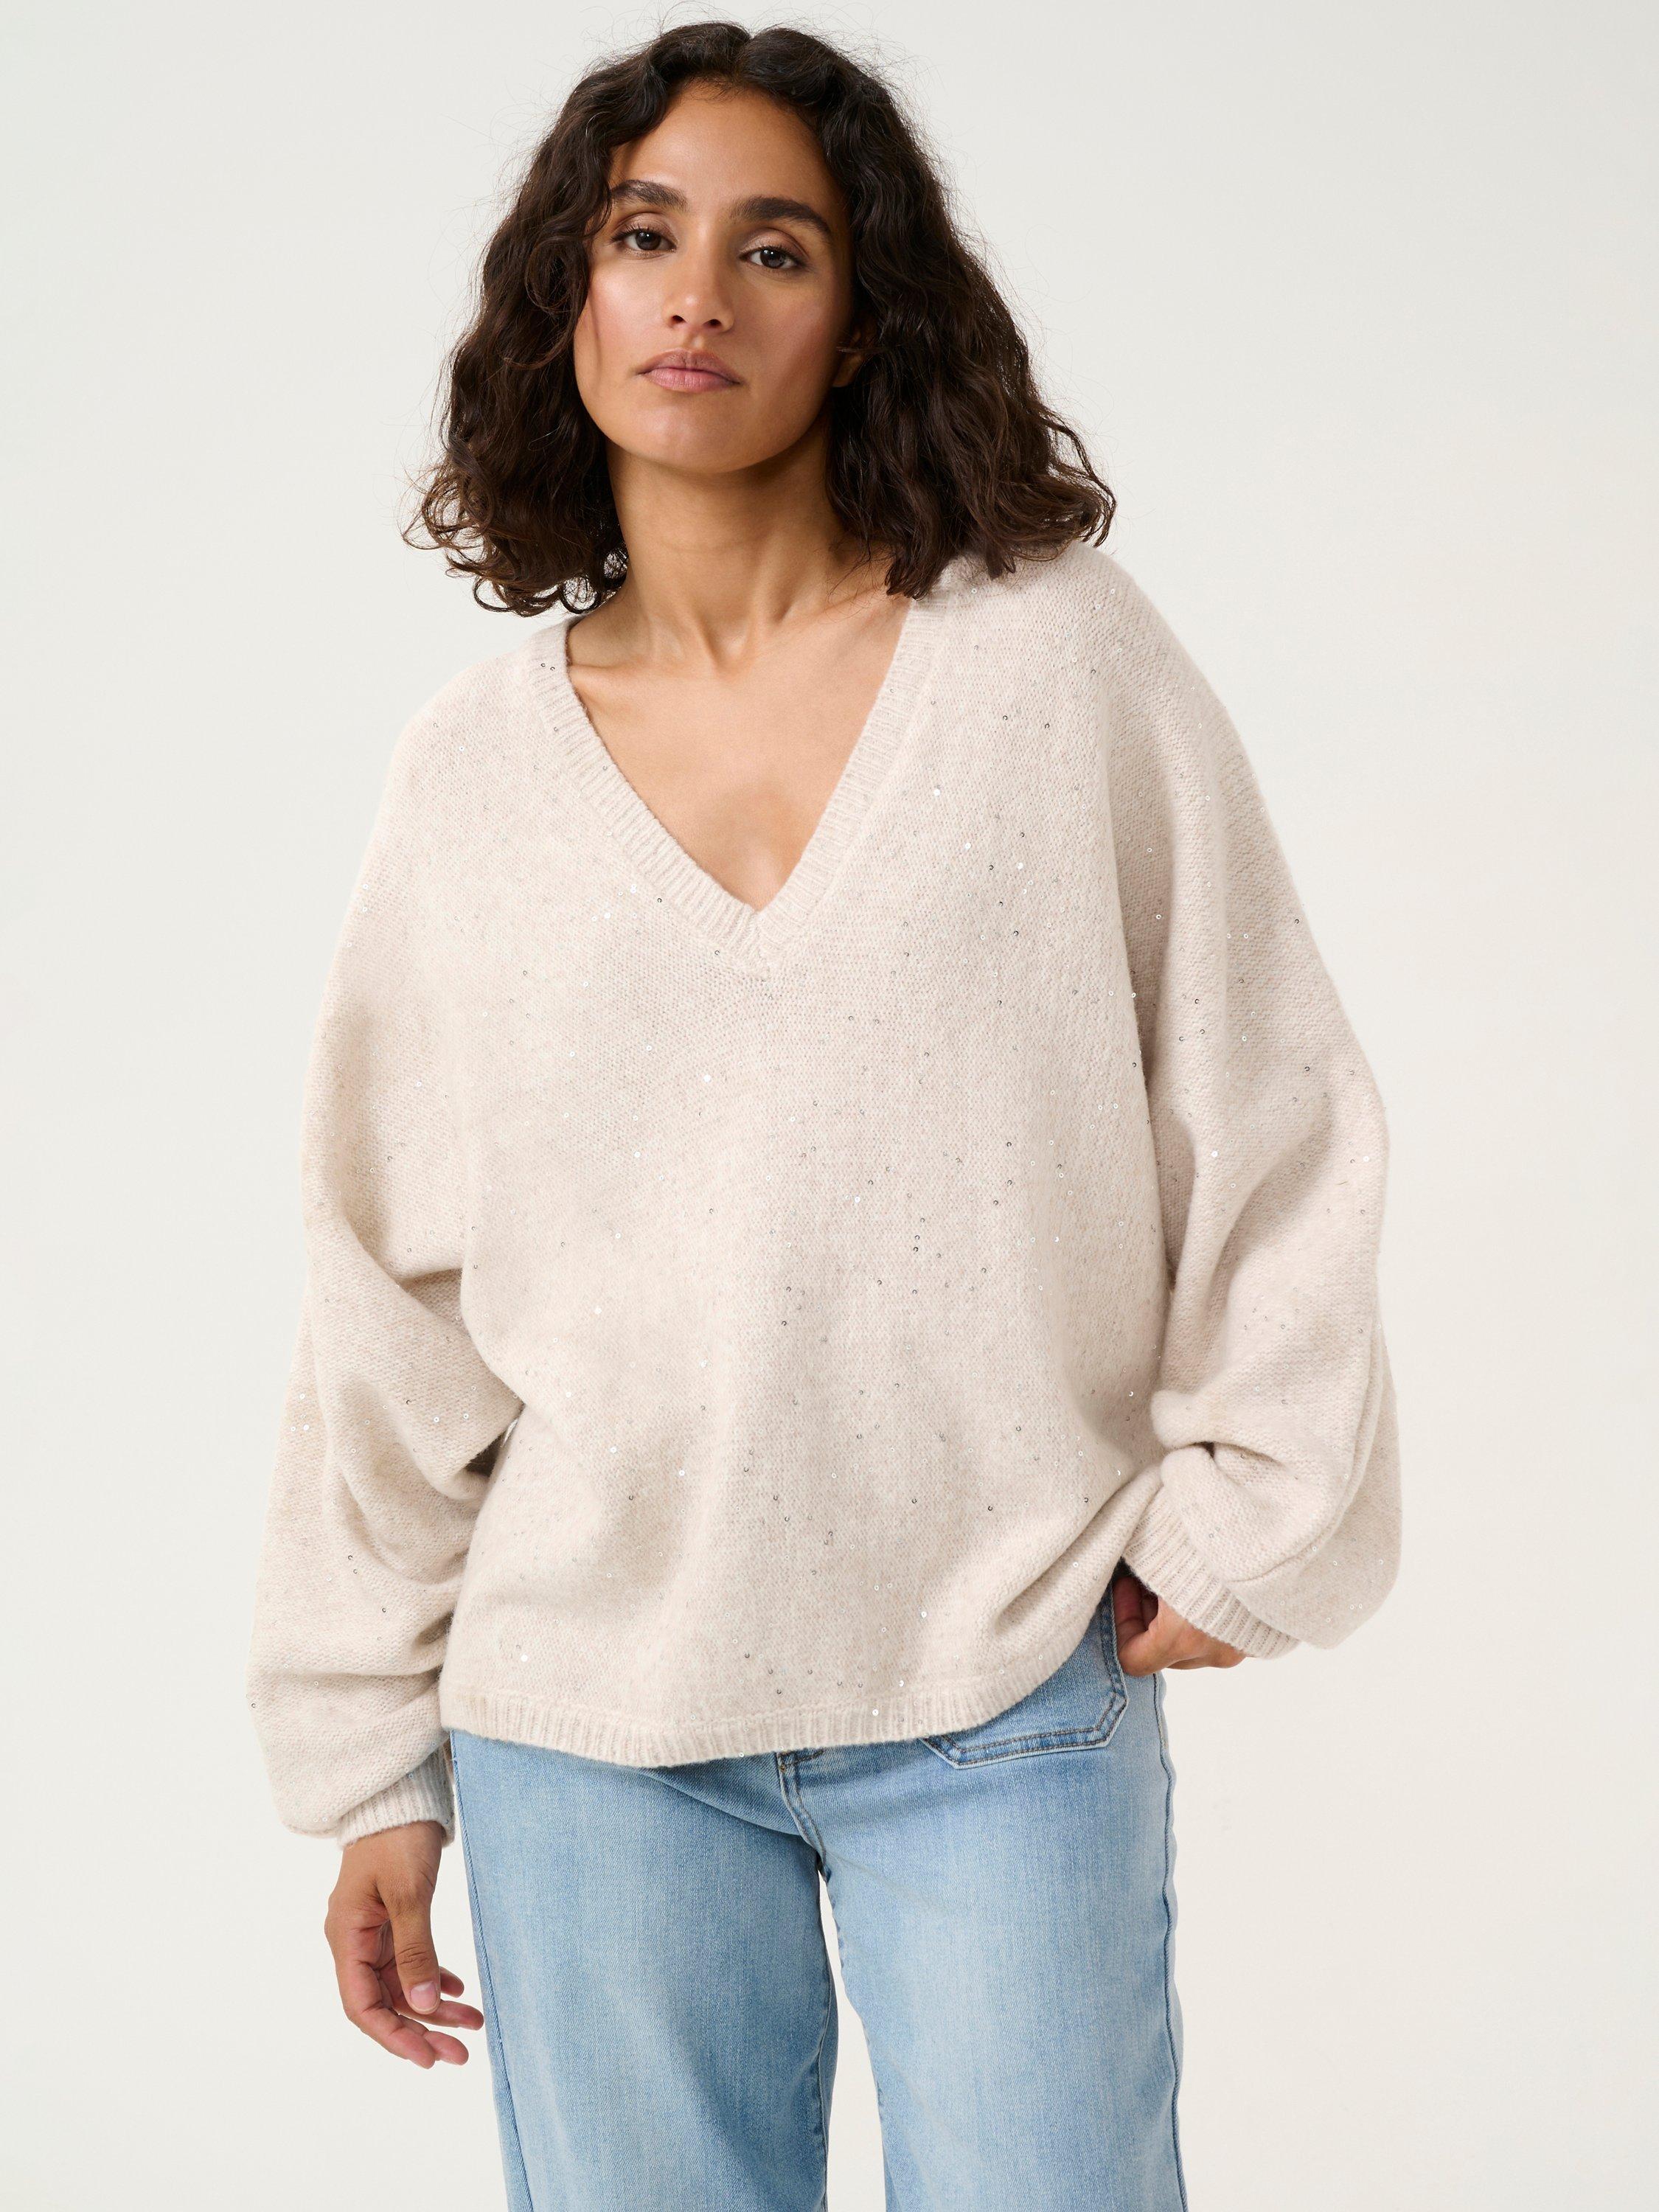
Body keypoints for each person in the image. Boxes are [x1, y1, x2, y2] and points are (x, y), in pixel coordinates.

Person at [245, 20, 1399, 2209]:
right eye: (643, 236)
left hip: (1007, 1676)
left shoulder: (1052, 664)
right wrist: (369, 1758)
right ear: (568, 297)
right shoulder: (471, 776)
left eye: (772, 249)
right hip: (586, 1726)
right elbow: (382, 1286)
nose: (698, 294)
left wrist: (1256, 1506)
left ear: (861, 322)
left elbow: (1263, 1087)